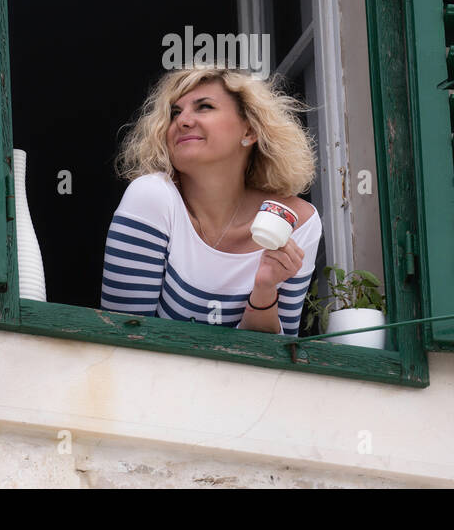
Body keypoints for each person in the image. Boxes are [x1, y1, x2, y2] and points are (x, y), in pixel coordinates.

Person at [100, 66, 321, 337]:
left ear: (249, 131)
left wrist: (264, 290)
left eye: (204, 107)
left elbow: (273, 363)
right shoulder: (151, 197)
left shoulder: (295, 221)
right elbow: (121, 339)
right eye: (175, 113)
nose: (183, 121)